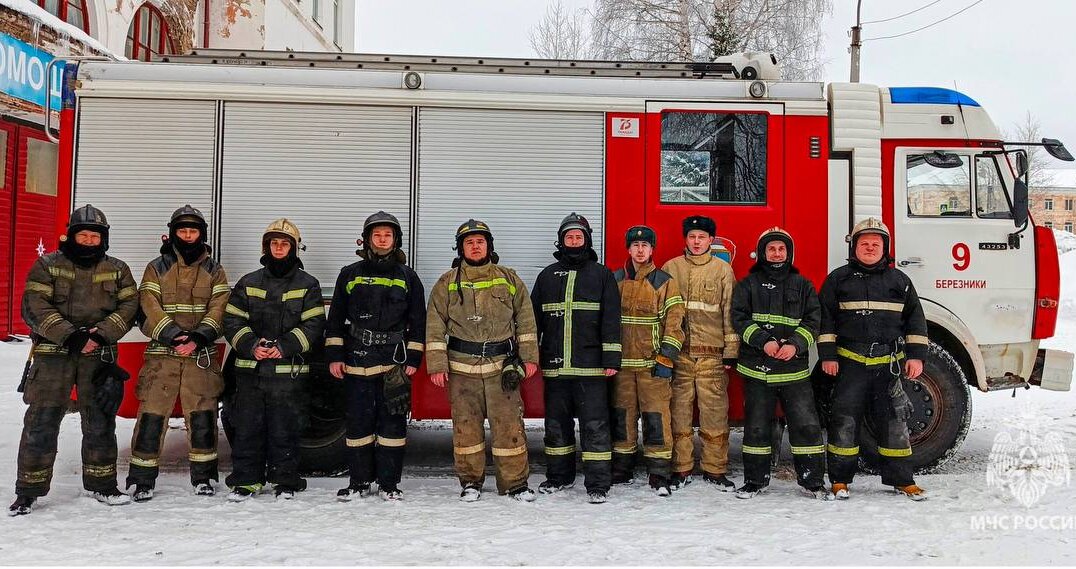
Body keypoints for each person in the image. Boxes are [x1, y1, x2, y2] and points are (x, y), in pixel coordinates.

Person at [10, 205, 138, 515]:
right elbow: (34, 307)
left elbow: (129, 308)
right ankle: (28, 491)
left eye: (95, 237)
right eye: (84, 235)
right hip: (53, 356)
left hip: (98, 356)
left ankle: (103, 484)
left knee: (100, 422)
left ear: (103, 239)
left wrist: (101, 334)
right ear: (72, 235)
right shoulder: (47, 265)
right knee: (41, 421)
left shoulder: (118, 269)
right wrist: (71, 336)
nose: (90, 241)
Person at [426, 219, 540, 502]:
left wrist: (529, 358)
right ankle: (470, 482)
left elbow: (526, 320)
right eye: (469, 242)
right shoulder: (446, 283)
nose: (475, 247)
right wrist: (437, 364)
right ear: (460, 248)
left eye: (480, 242)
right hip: (462, 370)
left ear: (489, 246)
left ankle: (515, 484)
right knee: (466, 429)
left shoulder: (509, 279)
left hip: (502, 370)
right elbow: (434, 326)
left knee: (509, 427)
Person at [818, 217, 928, 501]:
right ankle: (840, 480)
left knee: (894, 424)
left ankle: (902, 480)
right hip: (850, 365)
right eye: (864, 243)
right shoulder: (837, 280)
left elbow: (915, 322)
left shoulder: (900, 281)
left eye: (875, 244)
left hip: (888, 367)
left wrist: (917, 357)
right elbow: (825, 321)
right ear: (854, 247)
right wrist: (828, 356)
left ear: (885, 248)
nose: (869, 248)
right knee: (844, 423)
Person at [126, 205, 231, 502]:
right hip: (163, 354)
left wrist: (199, 337)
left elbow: (220, 307)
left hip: (200, 355)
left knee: (202, 417)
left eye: (192, 231)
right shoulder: (156, 268)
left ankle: (204, 477)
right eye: (182, 230)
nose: (187, 236)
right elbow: (148, 304)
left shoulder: (214, 270)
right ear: (173, 233)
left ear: (201, 234)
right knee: (151, 417)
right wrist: (172, 335)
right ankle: (141, 480)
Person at [222, 219, 325, 501]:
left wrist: (284, 346)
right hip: (251, 372)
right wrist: (252, 345)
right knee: (247, 429)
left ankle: (285, 481)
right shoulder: (248, 282)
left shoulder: (308, 285)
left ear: (294, 248)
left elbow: (314, 324)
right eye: (274, 243)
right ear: (266, 247)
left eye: (285, 244)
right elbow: (232, 320)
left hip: (287, 374)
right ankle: (246, 481)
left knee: (286, 430)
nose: (279, 248)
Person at [326, 211, 425, 502]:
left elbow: (419, 321)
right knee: (358, 425)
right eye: (377, 235)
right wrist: (334, 355)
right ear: (367, 239)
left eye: (387, 235)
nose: (382, 240)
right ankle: (359, 482)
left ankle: (388, 484)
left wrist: (413, 359)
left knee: (392, 426)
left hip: (393, 364)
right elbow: (336, 319)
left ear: (396, 240)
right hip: (356, 360)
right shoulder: (350, 274)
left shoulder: (408, 277)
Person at [730, 227, 827, 500]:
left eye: (781, 249)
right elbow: (739, 318)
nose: (776, 253)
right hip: (757, 369)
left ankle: (813, 482)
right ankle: (754, 481)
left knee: (806, 427)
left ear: (789, 253)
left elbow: (813, 321)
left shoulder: (804, 285)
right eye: (771, 249)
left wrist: (795, 344)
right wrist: (764, 342)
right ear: (762, 253)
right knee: (756, 428)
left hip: (793, 370)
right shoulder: (747, 285)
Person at [531, 213, 621, 504]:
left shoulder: (602, 275)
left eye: (578, 237)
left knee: (595, 427)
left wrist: (611, 359)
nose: (573, 241)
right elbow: (533, 322)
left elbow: (611, 319)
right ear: (561, 241)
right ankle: (559, 476)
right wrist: (530, 356)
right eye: (569, 237)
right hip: (555, 369)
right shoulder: (546, 276)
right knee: (556, 426)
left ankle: (598, 483)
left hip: (592, 369)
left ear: (587, 240)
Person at [661, 215, 738, 491]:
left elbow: (729, 311)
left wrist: (731, 351)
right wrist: (663, 351)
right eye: (692, 237)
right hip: (680, 356)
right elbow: (662, 313)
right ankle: (680, 468)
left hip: (712, 357)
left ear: (710, 240)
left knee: (715, 415)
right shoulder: (671, 268)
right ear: (686, 239)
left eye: (702, 237)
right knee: (678, 414)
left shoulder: (722, 270)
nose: (696, 242)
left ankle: (715, 469)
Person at [610, 225, 686, 497]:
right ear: (628, 249)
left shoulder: (664, 282)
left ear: (652, 249)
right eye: (635, 245)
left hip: (652, 366)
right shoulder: (615, 279)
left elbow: (675, 323)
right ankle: (622, 468)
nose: (640, 250)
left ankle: (658, 472)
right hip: (622, 368)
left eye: (645, 246)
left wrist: (666, 358)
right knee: (622, 418)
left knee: (656, 419)